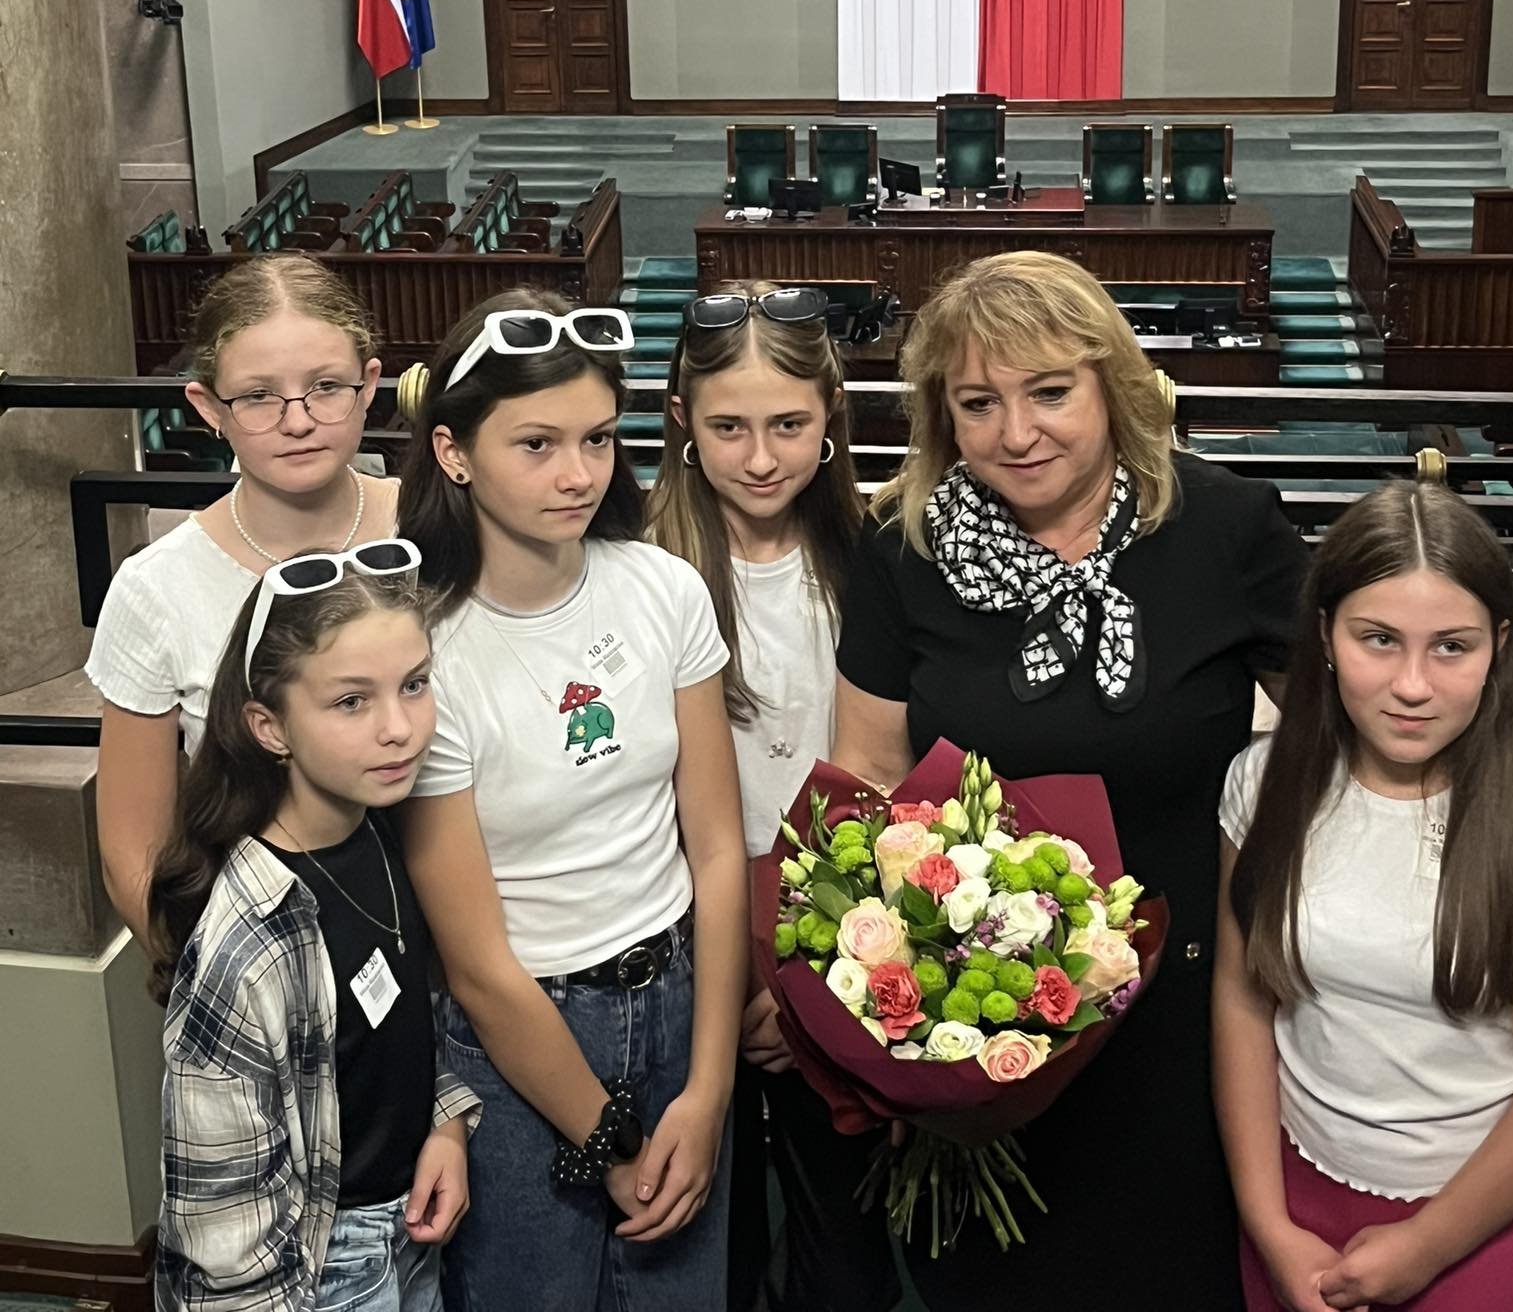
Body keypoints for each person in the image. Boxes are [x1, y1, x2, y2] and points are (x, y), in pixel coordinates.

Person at [832, 249, 1307, 1305]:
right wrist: (892, 1009)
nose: (1017, 432)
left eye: (1050, 392)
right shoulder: (901, 546)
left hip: (1193, 1011)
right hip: (981, 1018)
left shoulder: (1227, 527)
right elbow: (869, 773)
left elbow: (1334, 734)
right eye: (978, 403)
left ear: (1112, 384)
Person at [394, 291, 748, 1312]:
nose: (579, 473)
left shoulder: (662, 587)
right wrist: (612, 1142)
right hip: (522, 1041)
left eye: (596, 438)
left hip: (680, 1001)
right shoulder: (424, 648)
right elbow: (477, 963)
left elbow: (716, 849)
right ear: (454, 453)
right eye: (537, 443)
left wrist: (710, 1088)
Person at [1214, 482, 1513, 1312]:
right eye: (1380, 640)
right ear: (1326, 635)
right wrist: (1268, 1223)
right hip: (1297, 1195)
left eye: (1452, 647)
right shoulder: (1262, 784)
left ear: (1499, 646)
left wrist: (1428, 1246)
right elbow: (1244, 1000)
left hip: (1488, 1206)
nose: (1412, 685)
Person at [648, 283, 902, 1312]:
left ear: (832, 414)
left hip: (835, 925)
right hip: (684, 928)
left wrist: (803, 967)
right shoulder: (644, 570)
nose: (761, 457)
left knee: (843, 1244)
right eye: (729, 428)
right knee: (710, 1240)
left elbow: (882, 769)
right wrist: (735, 968)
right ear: (682, 419)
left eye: (790, 425)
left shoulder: (874, 557)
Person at [147, 541, 478, 1312]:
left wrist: (446, 1126)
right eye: (351, 702)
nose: (400, 728)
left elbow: (403, 1026)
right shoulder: (247, 944)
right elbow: (223, 1240)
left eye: (415, 684)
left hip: (409, 1229)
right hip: (316, 1269)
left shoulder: (381, 830)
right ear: (270, 727)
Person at [89, 254, 398, 943]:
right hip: (268, 946)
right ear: (209, 408)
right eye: (258, 396)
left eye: (326, 387)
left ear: (369, 385)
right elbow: (132, 850)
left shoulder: (432, 532)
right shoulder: (156, 587)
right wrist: (209, 980)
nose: (298, 421)